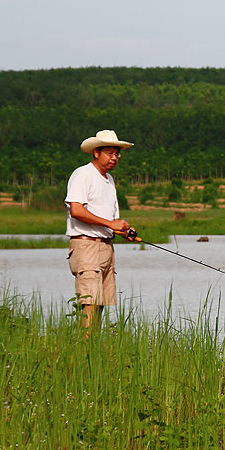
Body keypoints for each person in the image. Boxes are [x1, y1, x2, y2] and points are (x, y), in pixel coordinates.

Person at [65, 129, 135, 330]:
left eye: (117, 154)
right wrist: (111, 224)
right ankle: (84, 351)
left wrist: (122, 231)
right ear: (96, 152)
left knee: (101, 303)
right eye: (110, 153)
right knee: (90, 302)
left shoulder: (109, 180)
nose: (115, 158)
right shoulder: (82, 174)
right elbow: (76, 210)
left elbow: (110, 220)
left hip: (106, 248)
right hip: (86, 246)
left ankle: (93, 351)